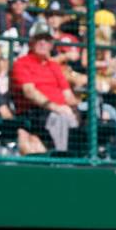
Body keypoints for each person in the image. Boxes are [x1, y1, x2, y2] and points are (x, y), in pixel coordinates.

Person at [10, 20, 80, 152]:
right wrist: (56, 107)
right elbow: (29, 92)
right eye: (39, 39)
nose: (42, 43)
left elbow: (67, 94)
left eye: (46, 40)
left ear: (51, 44)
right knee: (60, 117)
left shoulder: (54, 66)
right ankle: (61, 158)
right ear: (31, 42)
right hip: (35, 111)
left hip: (61, 109)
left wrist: (75, 108)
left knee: (95, 114)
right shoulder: (21, 63)